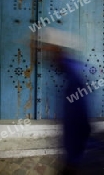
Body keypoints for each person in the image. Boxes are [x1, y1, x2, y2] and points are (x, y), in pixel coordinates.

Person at [39, 28, 91, 174]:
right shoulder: (68, 70)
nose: (46, 53)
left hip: (75, 156)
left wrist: (73, 160)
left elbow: (79, 120)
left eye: (49, 49)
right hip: (73, 152)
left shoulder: (74, 75)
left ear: (59, 50)